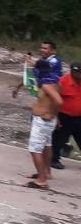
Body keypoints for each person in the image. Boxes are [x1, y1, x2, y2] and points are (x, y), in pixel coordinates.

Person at [25, 60, 63, 189]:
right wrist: (54, 116)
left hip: (42, 122)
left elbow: (58, 101)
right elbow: (53, 101)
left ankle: (41, 180)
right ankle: (46, 173)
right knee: (47, 146)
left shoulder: (46, 85)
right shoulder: (54, 83)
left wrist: (52, 114)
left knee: (34, 149)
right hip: (47, 122)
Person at [51, 62, 81, 171]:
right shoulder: (63, 81)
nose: (77, 74)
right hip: (64, 116)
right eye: (75, 72)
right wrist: (56, 117)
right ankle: (54, 160)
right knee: (59, 139)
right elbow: (54, 100)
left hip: (78, 117)